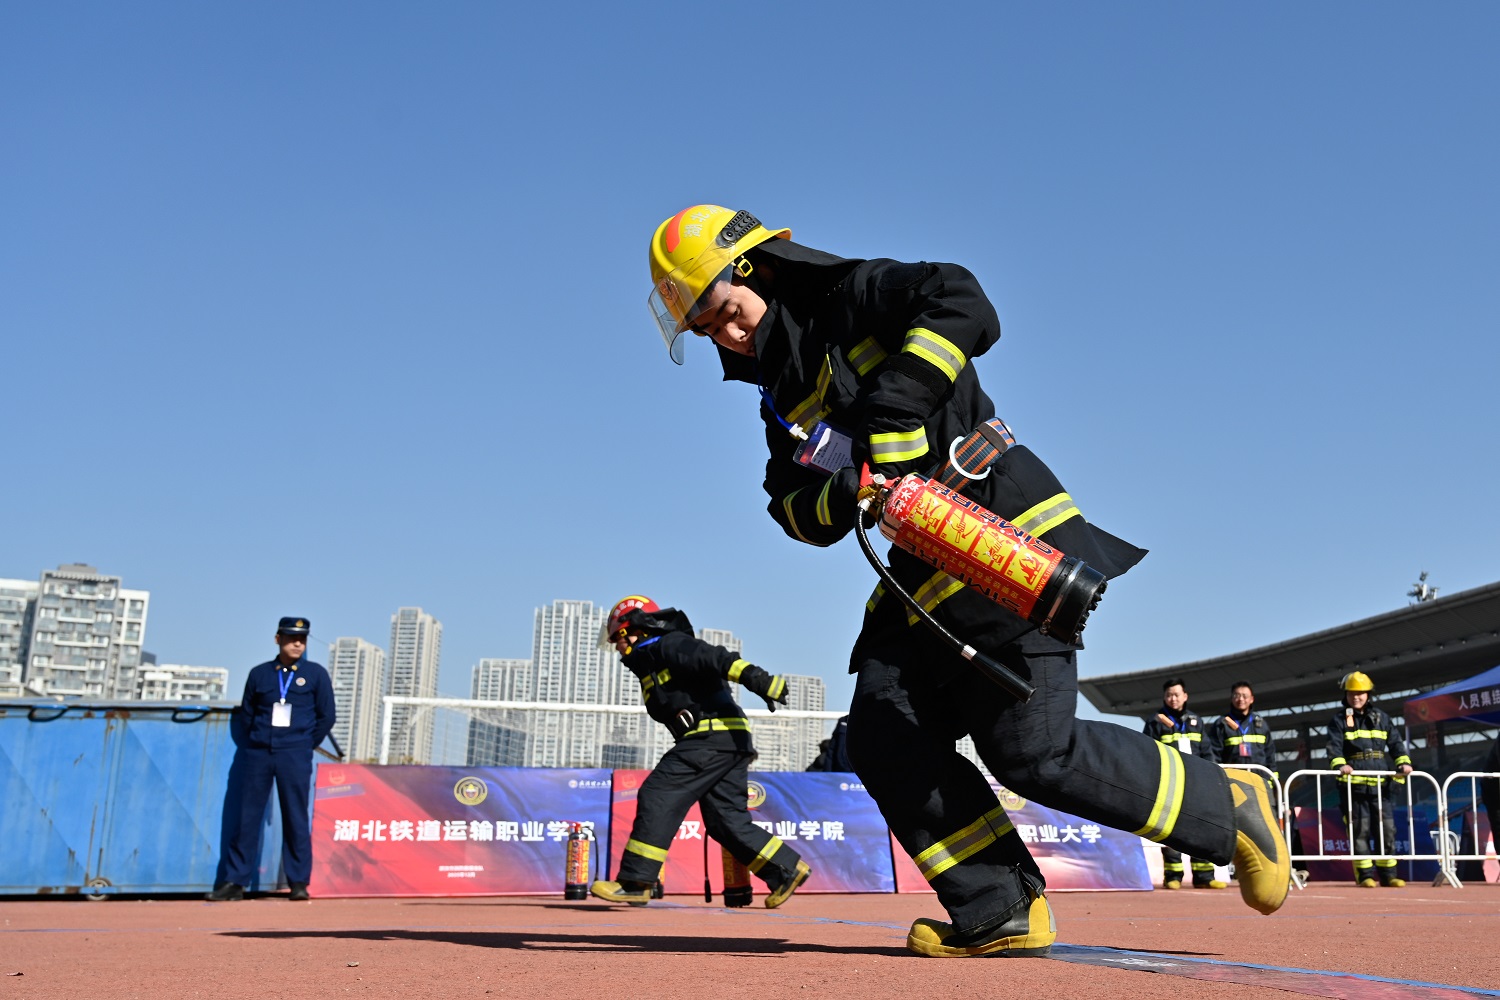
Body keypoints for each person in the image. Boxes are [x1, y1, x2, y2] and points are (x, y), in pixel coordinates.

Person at [644, 205, 1289, 957]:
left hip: (1000, 537)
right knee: (885, 738)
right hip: (915, 577)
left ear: (756, 269)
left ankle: (1229, 800)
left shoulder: (852, 294)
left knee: (1032, 750)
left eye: (725, 311)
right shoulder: (779, 394)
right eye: (708, 330)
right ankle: (998, 907)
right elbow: (787, 502)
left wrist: (895, 407)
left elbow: (961, 297)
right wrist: (847, 487)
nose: (727, 334)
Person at [589, 595, 811, 908]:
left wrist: (756, 678)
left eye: (618, 639)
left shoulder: (667, 644)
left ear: (633, 631)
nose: (617, 647)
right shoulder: (653, 660)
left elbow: (712, 657)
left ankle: (636, 881)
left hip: (710, 737)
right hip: (726, 740)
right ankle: (785, 870)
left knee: (658, 792)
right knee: (725, 821)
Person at [207, 617, 335, 902]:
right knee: (247, 817)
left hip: (296, 753)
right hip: (259, 753)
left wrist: (305, 744)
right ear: (278, 639)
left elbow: (327, 717)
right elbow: (248, 714)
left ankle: (299, 882)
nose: (298, 643)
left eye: (302, 639)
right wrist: (258, 739)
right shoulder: (260, 674)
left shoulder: (316, 674)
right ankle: (234, 882)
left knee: (295, 817)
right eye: (291, 638)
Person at [1326, 671, 1412, 888]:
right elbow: (1333, 747)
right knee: (1359, 830)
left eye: (1360, 693)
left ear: (1368, 694)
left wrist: (1403, 762)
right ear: (1346, 694)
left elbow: (1396, 743)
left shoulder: (1382, 718)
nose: (1356, 697)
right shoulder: (1339, 720)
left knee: (1387, 830)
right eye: (1352, 693)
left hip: (1380, 786)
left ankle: (1389, 875)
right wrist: (1339, 764)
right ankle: (1364, 875)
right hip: (1353, 787)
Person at [1143, 679, 1224, 889]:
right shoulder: (1155, 722)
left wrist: (1211, 777)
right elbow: (1146, 752)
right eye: (1169, 694)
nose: (1173, 698)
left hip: (1195, 784)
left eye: (1177, 694)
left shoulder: (1196, 721)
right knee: (1170, 830)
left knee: (1201, 828)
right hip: (1167, 784)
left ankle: (1205, 875)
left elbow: (1207, 752)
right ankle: (1173, 876)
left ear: (1185, 696)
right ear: (1164, 697)